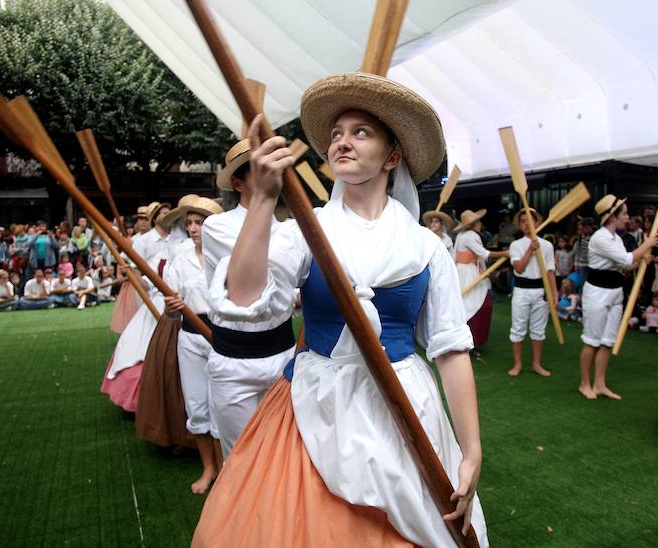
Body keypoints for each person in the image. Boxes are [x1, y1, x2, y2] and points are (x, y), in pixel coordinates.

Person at [192, 73, 487, 548]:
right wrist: (265, 199)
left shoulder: (428, 248)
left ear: (393, 157)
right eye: (335, 134)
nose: (342, 141)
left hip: (405, 405)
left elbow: (451, 350)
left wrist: (471, 450)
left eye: (360, 132)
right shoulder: (306, 232)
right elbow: (243, 300)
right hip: (314, 401)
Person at [200, 139, 298, 458]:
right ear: (238, 183)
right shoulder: (216, 227)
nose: (272, 173)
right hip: (234, 360)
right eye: (259, 170)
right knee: (241, 458)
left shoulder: (291, 229)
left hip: (283, 354)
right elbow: (256, 281)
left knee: (284, 456)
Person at [162, 196, 224, 494]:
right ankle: (208, 469)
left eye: (199, 223)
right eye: (189, 223)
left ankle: (226, 470)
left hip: (222, 337)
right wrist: (171, 305)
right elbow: (171, 311)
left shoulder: (227, 256)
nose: (192, 228)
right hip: (189, 337)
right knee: (197, 405)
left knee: (221, 403)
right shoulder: (179, 258)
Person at [579, 195, 658, 400]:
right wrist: (646, 244)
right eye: (624, 213)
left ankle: (600, 384)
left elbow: (625, 265)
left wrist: (643, 259)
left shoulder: (617, 238)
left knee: (607, 341)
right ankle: (584, 384)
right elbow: (626, 258)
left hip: (615, 292)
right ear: (612, 216)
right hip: (597, 293)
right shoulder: (600, 237)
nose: (627, 217)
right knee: (592, 341)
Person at [101, 201, 171, 412]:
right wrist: (129, 271)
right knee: (139, 346)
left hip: (179, 308)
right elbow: (140, 275)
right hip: (152, 300)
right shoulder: (144, 243)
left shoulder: (182, 245)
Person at [508, 208, 556, 377]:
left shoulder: (548, 245)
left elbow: (550, 271)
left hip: (541, 291)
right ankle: (518, 364)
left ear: (537, 222)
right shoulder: (515, 245)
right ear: (520, 225)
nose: (527, 223)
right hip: (521, 291)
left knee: (538, 330)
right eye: (523, 221)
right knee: (518, 329)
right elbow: (519, 268)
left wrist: (554, 294)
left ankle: (536, 364)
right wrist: (530, 249)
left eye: (530, 219)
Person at [453, 209, 507, 356]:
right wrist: (506, 253)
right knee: (475, 307)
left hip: (466, 272)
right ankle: (468, 343)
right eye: (477, 222)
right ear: (472, 225)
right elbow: (485, 254)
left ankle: (469, 343)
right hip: (468, 274)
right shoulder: (470, 236)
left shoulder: (462, 235)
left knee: (474, 306)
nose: (480, 224)